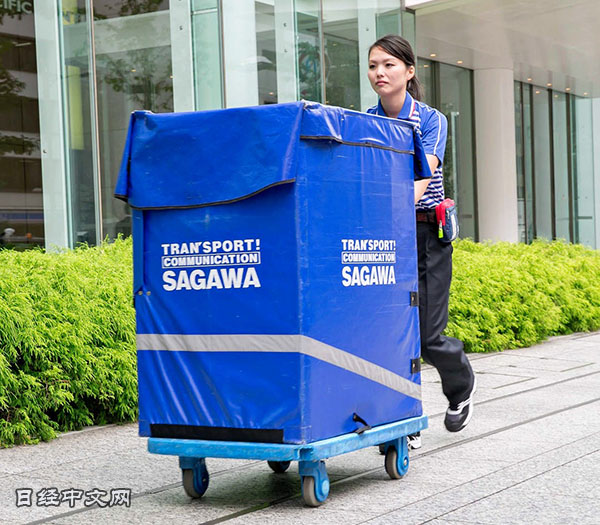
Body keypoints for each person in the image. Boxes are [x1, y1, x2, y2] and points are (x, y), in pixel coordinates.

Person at [366, 35, 476, 446]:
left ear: (409, 71)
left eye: (389, 65)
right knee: (389, 332)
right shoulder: (366, 121)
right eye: (373, 65)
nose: (380, 72)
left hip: (427, 233)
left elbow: (420, 178)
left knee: (428, 335)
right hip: (383, 236)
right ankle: (403, 418)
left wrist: (377, 202)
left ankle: (461, 388)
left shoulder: (430, 120)